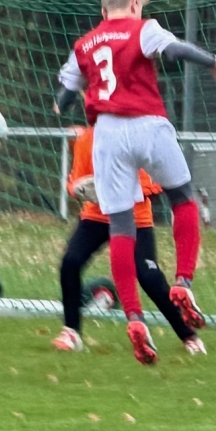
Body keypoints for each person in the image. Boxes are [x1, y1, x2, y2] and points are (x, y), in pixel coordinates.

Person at [55, 0, 216, 365]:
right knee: (182, 198)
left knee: (121, 226)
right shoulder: (144, 28)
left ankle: (134, 318)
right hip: (148, 124)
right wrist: (214, 62)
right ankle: (183, 281)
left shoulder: (84, 44)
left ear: (103, 10)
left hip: (107, 134)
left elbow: (65, 95)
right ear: (135, 4)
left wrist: (61, 103)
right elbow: (174, 51)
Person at [53, 125, 201, 355]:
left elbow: (153, 187)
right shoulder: (87, 139)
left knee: (149, 277)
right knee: (70, 262)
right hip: (96, 216)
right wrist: (82, 189)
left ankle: (188, 335)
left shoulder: (135, 138)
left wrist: (116, 188)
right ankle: (71, 332)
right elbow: (75, 182)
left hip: (135, 218)